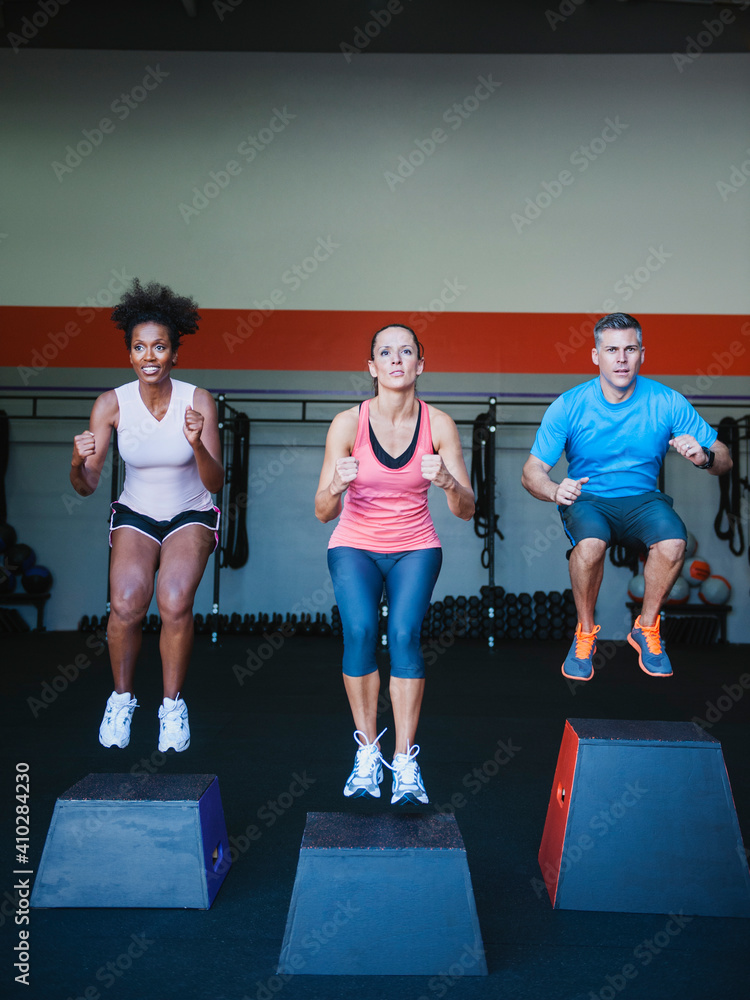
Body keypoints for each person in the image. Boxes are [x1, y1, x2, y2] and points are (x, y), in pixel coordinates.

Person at [521, 312, 731, 681]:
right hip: (590, 498)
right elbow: (530, 471)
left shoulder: (667, 401)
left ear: (642, 354)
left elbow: (724, 459)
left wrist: (704, 457)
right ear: (595, 355)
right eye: (612, 349)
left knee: (673, 543)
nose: (621, 358)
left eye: (630, 349)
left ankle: (647, 627)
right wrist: (555, 489)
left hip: (643, 499)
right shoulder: (569, 405)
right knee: (590, 546)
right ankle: (585, 631)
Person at [315, 323, 475, 805]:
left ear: (420, 365)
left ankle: (406, 762)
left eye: (406, 351)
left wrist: (447, 480)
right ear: (372, 368)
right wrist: (337, 486)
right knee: (361, 632)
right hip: (354, 545)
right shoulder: (347, 424)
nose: (397, 359)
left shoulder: (439, 424)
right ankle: (367, 754)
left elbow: (467, 509)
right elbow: (323, 511)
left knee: (404, 636)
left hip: (416, 546)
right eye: (386, 352)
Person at [70, 279, 224, 751]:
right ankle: (121, 700)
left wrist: (197, 443)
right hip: (136, 512)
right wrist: (77, 460)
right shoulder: (111, 405)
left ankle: (172, 707)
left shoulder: (198, 401)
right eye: (140, 347)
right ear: (130, 355)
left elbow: (216, 482)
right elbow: (87, 485)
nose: (150, 355)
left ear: (175, 354)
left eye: (160, 346)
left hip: (190, 513)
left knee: (174, 599)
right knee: (127, 603)